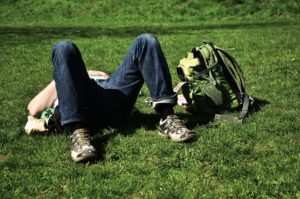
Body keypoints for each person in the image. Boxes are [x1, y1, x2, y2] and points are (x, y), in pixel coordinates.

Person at [27, 33, 197, 162]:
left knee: (146, 40)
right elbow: (33, 108)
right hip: (84, 104)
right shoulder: (62, 81)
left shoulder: (96, 74)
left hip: (112, 93)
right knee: (63, 47)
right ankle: (78, 134)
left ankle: (167, 118)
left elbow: (108, 78)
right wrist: (61, 77)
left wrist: (90, 73)